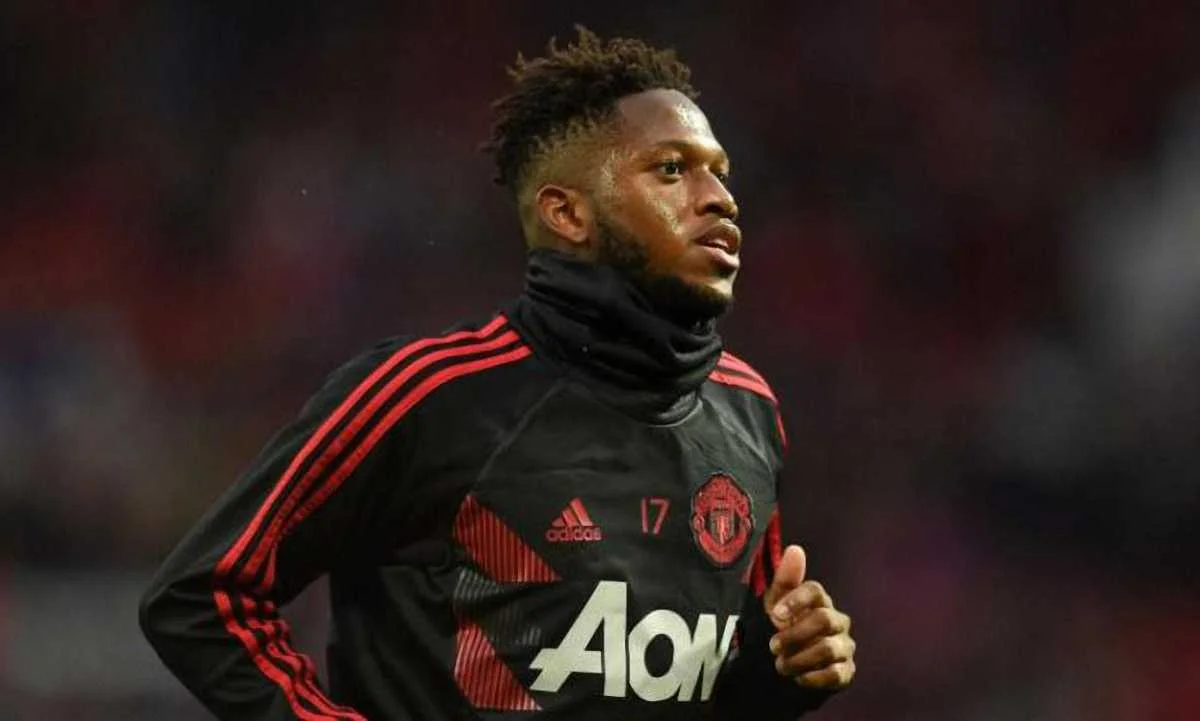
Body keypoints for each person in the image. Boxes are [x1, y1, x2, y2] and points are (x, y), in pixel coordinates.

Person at [139, 27, 856, 720]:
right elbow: (202, 596)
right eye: (672, 169)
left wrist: (783, 672)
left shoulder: (747, 410)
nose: (719, 197)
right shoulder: (429, 395)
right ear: (567, 213)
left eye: (719, 172)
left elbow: (707, 694)